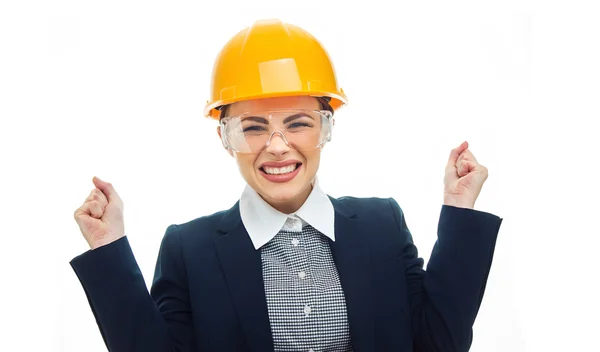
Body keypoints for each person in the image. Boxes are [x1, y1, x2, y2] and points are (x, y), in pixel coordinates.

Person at [71, 19, 503, 352]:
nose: (277, 147)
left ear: (327, 128)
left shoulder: (382, 224)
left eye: (298, 123)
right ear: (224, 139)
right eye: (253, 128)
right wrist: (108, 247)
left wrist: (459, 210)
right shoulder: (189, 249)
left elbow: (438, 342)